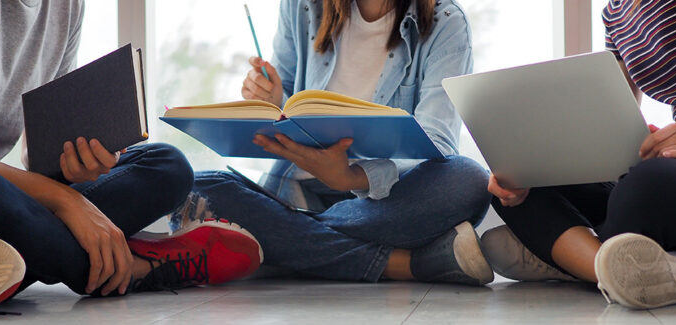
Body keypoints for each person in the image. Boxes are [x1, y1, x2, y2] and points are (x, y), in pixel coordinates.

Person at [0, 0, 261, 316]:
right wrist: (65, 200)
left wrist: (72, 167)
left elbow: (37, 151)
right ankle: (131, 268)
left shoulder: (65, 6)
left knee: (166, 165)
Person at [169, 0, 494, 285]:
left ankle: (282, 242)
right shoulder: (302, 5)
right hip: (296, 190)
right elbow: (284, 107)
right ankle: (401, 264)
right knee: (194, 189)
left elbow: (438, 143)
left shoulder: (445, 22)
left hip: (384, 201)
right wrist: (271, 99)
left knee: (469, 181)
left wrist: (351, 177)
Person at [480, 0, 676, 309]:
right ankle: (614, 271)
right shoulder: (615, 14)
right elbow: (615, 131)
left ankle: (571, 260)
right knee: (516, 184)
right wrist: (534, 162)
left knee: (646, 187)